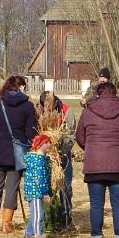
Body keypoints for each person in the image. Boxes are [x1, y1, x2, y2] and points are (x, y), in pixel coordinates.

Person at [76, 81, 119, 238]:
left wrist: (91, 148)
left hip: (94, 165)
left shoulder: (88, 113)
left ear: (97, 94)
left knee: (96, 204)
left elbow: (80, 137)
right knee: (118, 204)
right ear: (116, 93)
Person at [0, 75, 37, 233]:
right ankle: (6, 224)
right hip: (16, 153)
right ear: (22, 87)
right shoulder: (27, 106)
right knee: (12, 188)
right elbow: (30, 132)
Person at [38, 92, 76, 229]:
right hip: (45, 156)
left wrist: (61, 152)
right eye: (45, 107)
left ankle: (66, 217)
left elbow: (71, 135)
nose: (48, 109)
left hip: (62, 156)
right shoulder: (40, 112)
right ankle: (47, 217)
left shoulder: (66, 111)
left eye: (50, 105)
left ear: (54, 102)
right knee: (45, 186)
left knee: (65, 186)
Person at [23, 134, 53, 238]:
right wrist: (45, 193)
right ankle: (37, 236)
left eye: (50, 142)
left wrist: (48, 159)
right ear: (38, 145)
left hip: (37, 191)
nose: (49, 145)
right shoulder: (38, 161)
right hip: (35, 191)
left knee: (36, 213)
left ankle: (29, 234)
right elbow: (40, 178)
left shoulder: (39, 158)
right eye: (46, 143)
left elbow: (42, 159)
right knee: (38, 214)